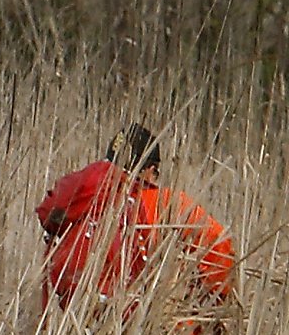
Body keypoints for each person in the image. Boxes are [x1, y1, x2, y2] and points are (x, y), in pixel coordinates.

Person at [36, 122, 235, 314]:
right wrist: (212, 306)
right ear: (150, 171)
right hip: (134, 321)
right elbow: (219, 246)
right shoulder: (162, 202)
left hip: (79, 317)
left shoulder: (83, 198)